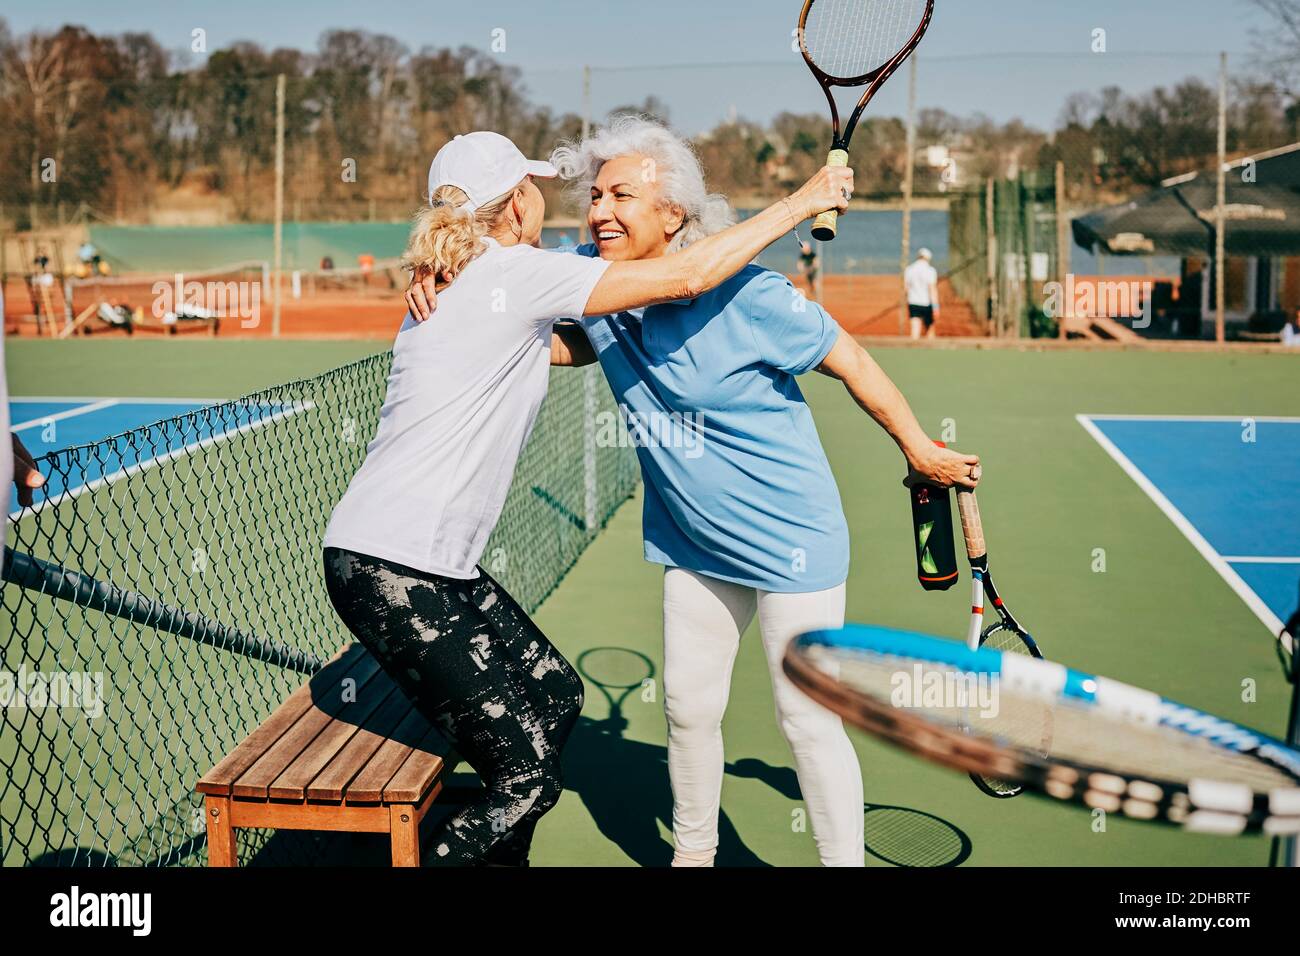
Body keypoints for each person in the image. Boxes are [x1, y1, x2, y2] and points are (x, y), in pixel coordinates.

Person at [408, 116, 978, 867]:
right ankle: (695, 856)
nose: (600, 210)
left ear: (672, 213)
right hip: (692, 541)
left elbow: (853, 360)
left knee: (806, 721)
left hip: (791, 542)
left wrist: (918, 447)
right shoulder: (590, 279)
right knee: (686, 710)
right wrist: (444, 283)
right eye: (595, 196)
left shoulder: (752, 295)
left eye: (622, 196)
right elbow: (546, 328)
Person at [326, 130, 853, 866]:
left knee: (556, 695)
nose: (568, 201)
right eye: (538, 186)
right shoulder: (518, 271)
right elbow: (687, 275)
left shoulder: (472, 276)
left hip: (414, 561)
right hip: (393, 566)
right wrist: (805, 200)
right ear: (518, 202)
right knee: (526, 774)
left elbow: (560, 336)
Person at [904, 247, 940, 340]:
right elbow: (932, 289)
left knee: (915, 331)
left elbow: (906, 289)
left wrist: (908, 300)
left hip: (913, 302)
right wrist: (936, 306)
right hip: (926, 304)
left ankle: (912, 352)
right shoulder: (930, 270)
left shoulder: (909, 269)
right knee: (930, 331)